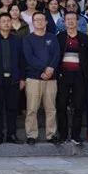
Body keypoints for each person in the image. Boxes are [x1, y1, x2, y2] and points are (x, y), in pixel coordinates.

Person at [22, 12, 60, 144]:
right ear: (32, 22)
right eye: (36, 20)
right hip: (33, 78)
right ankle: (31, 135)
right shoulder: (27, 39)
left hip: (51, 79)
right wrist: (45, 69)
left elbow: (56, 54)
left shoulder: (52, 37)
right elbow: (29, 58)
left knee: (51, 109)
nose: (39, 22)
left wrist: (51, 68)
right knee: (32, 108)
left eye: (42, 20)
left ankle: (51, 135)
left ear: (46, 22)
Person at [55, 11, 88, 146]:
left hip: (79, 76)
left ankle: (76, 135)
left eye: (73, 19)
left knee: (78, 106)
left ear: (77, 21)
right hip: (63, 76)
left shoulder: (84, 38)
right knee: (61, 105)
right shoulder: (59, 37)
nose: (70, 21)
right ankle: (63, 135)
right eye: (68, 19)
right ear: (64, 22)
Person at [0, 12, 24, 144]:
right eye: (3, 21)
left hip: (14, 79)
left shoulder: (17, 40)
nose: (6, 23)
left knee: (12, 109)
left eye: (8, 21)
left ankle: (11, 134)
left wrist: (22, 78)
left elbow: (22, 60)